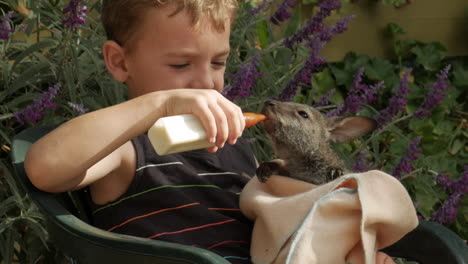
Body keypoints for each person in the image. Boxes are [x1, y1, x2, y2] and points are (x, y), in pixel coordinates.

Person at [24, 1, 396, 263]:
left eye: (218, 62)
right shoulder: (127, 148)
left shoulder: (238, 147)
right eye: (181, 64)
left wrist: (345, 250)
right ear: (120, 62)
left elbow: (280, 230)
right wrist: (160, 105)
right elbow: (44, 167)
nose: (205, 82)